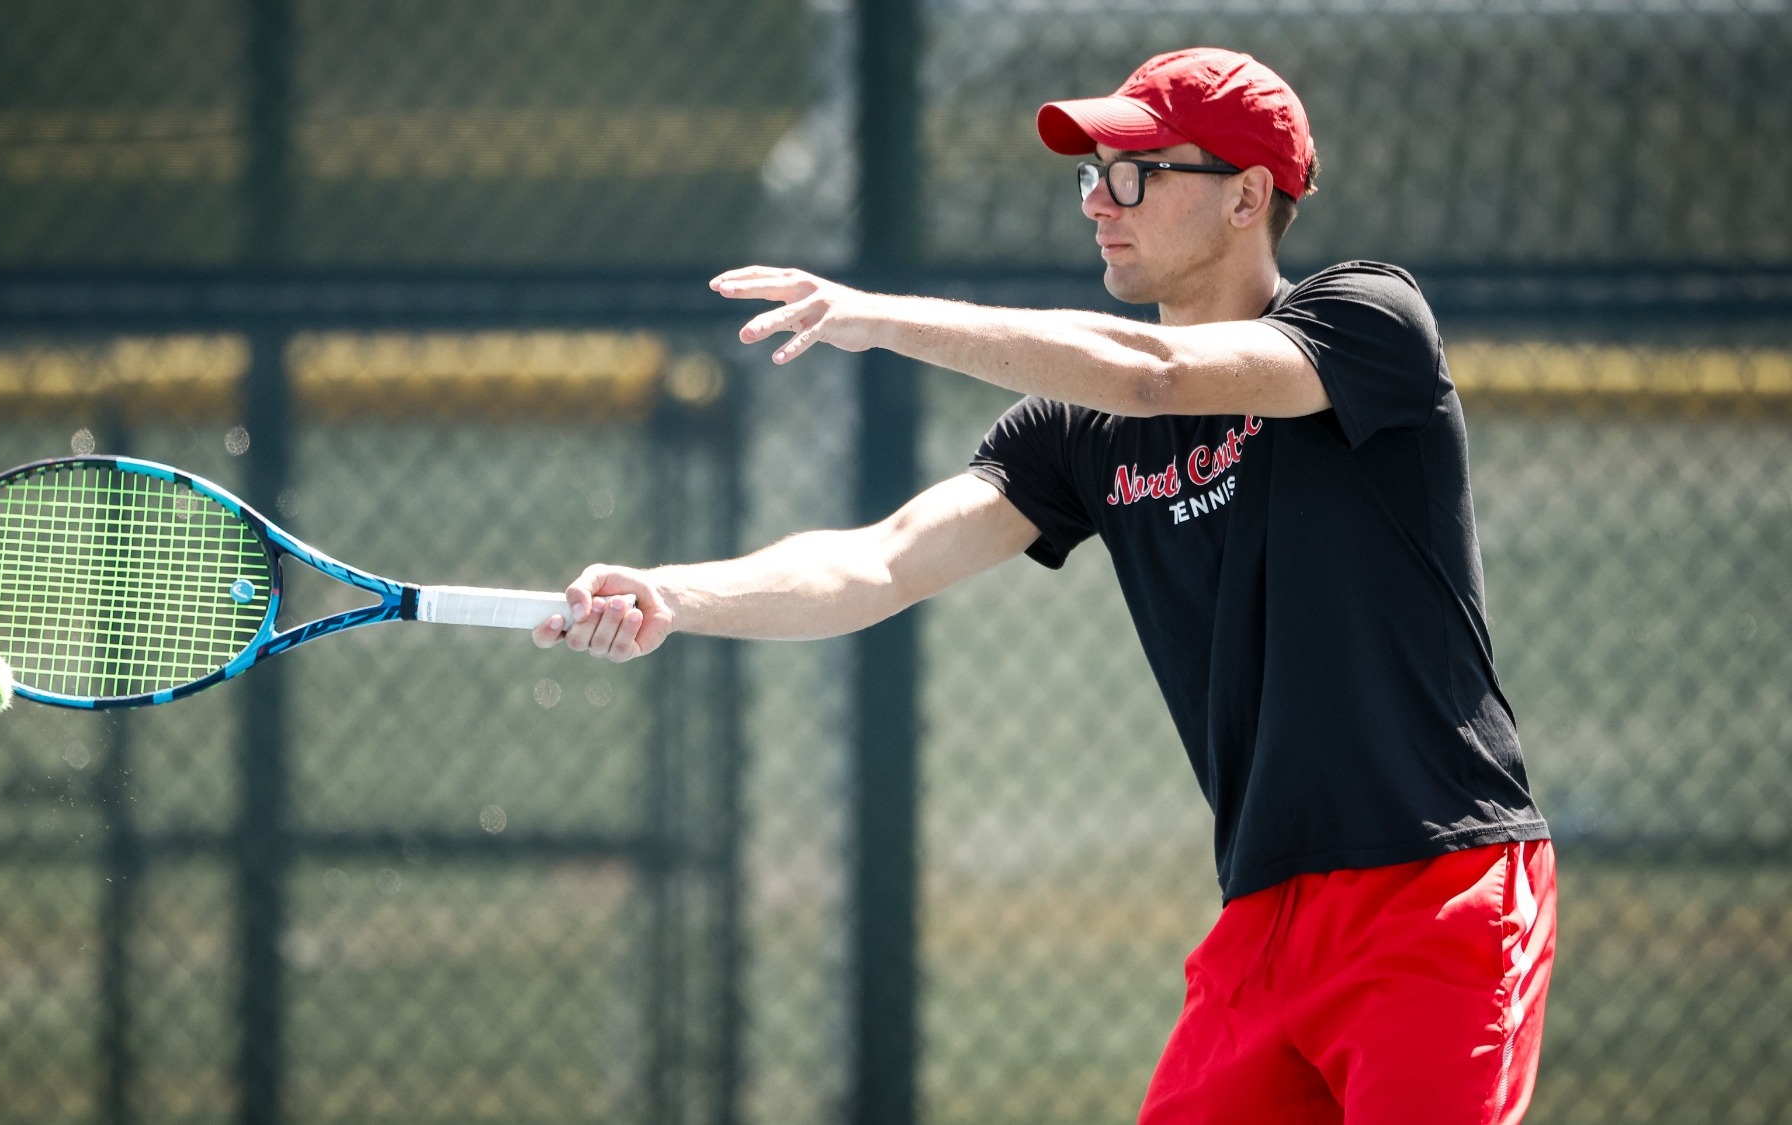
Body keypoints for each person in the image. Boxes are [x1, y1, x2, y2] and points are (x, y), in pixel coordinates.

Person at [533, 47, 1555, 1124]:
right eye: (1090, 175)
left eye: (1136, 173)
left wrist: (877, 317)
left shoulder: (1368, 324)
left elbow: (1150, 374)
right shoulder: (1076, 436)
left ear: (1247, 195)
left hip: (1436, 892)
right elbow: (879, 560)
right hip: (1260, 922)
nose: (1099, 204)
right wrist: (672, 596)